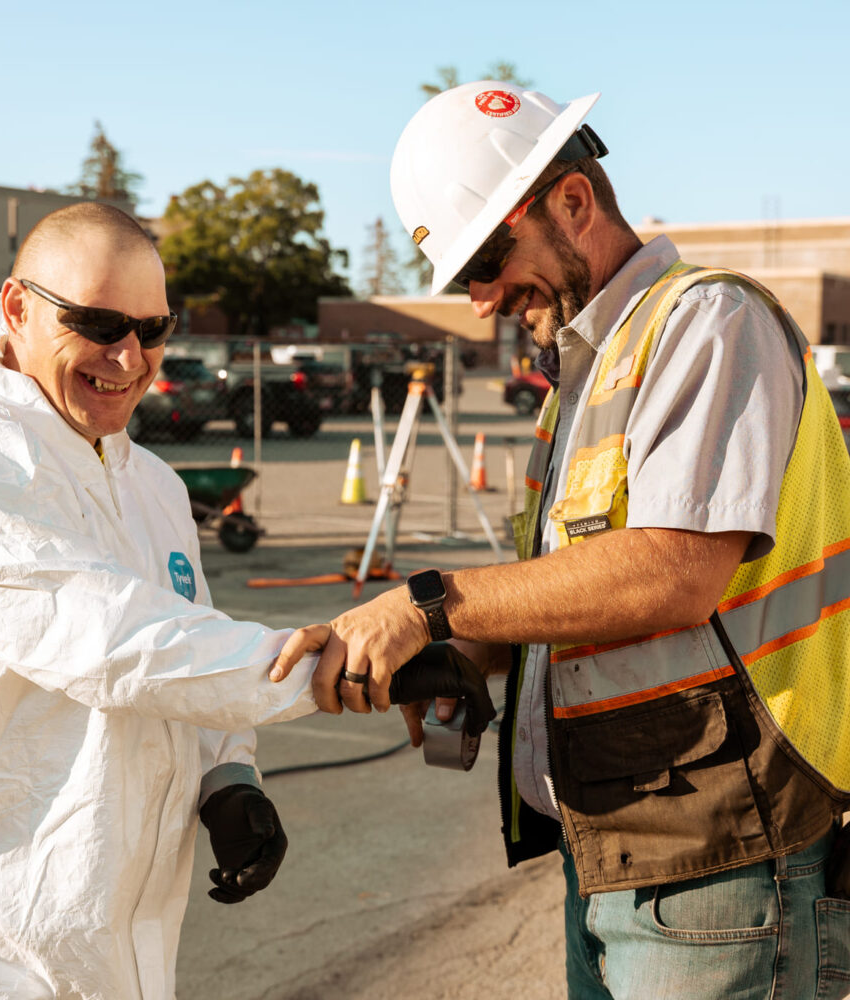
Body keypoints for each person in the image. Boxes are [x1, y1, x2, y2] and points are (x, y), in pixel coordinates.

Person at [273, 81, 850, 997]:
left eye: (488, 260)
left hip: (724, 862)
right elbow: (577, 597)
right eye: (464, 276)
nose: (481, 300)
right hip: (618, 854)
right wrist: (468, 652)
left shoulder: (707, 322)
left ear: (573, 201)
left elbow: (673, 573)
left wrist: (430, 605)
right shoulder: (582, 383)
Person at [0, 203, 321, 1000]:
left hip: (111, 936)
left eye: (153, 327)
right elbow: (103, 638)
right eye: (99, 322)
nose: (129, 356)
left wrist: (227, 776)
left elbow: (187, 636)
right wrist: (332, 663)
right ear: (16, 308)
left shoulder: (154, 487)